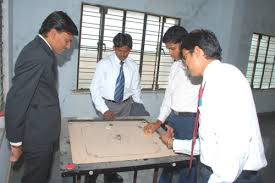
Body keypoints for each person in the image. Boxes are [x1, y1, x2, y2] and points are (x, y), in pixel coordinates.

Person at [181, 29, 267, 183]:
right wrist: (174, 144)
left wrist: (218, 180)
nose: (185, 64)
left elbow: (234, 143)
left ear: (198, 52)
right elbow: (211, 138)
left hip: (232, 176)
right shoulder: (215, 78)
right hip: (216, 169)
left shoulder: (223, 80)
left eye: (185, 57)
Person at [4, 11, 78, 183]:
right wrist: (15, 142)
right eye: (67, 40)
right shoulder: (38, 55)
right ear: (53, 33)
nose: (68, 47)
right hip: (37, 136)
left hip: (41, 131)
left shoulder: (41, 50)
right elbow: (17, 99)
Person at [89, 33, 149, 182]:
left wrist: (139, 108)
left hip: (126, 106)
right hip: (107, 105)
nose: (123, 54)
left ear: (130, 50)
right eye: (120, 50)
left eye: (126, 51)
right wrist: (104, 110)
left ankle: (110, 174)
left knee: (119, 141)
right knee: (103, 141)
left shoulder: (133, 66)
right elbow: (94, 89)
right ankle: (92, 174)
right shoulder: (104, 64)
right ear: (114, 48)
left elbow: (136, 89)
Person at [143, 25, 200, 183]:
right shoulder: (175, 67)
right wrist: (159, 121)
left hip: (190, 122)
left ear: (184, 44)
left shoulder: (198, 68)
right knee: (167, 159)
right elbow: (168, 97)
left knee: (188, 164)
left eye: (173, 48)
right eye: (168, 49)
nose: (170, 53)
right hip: (173, 119)